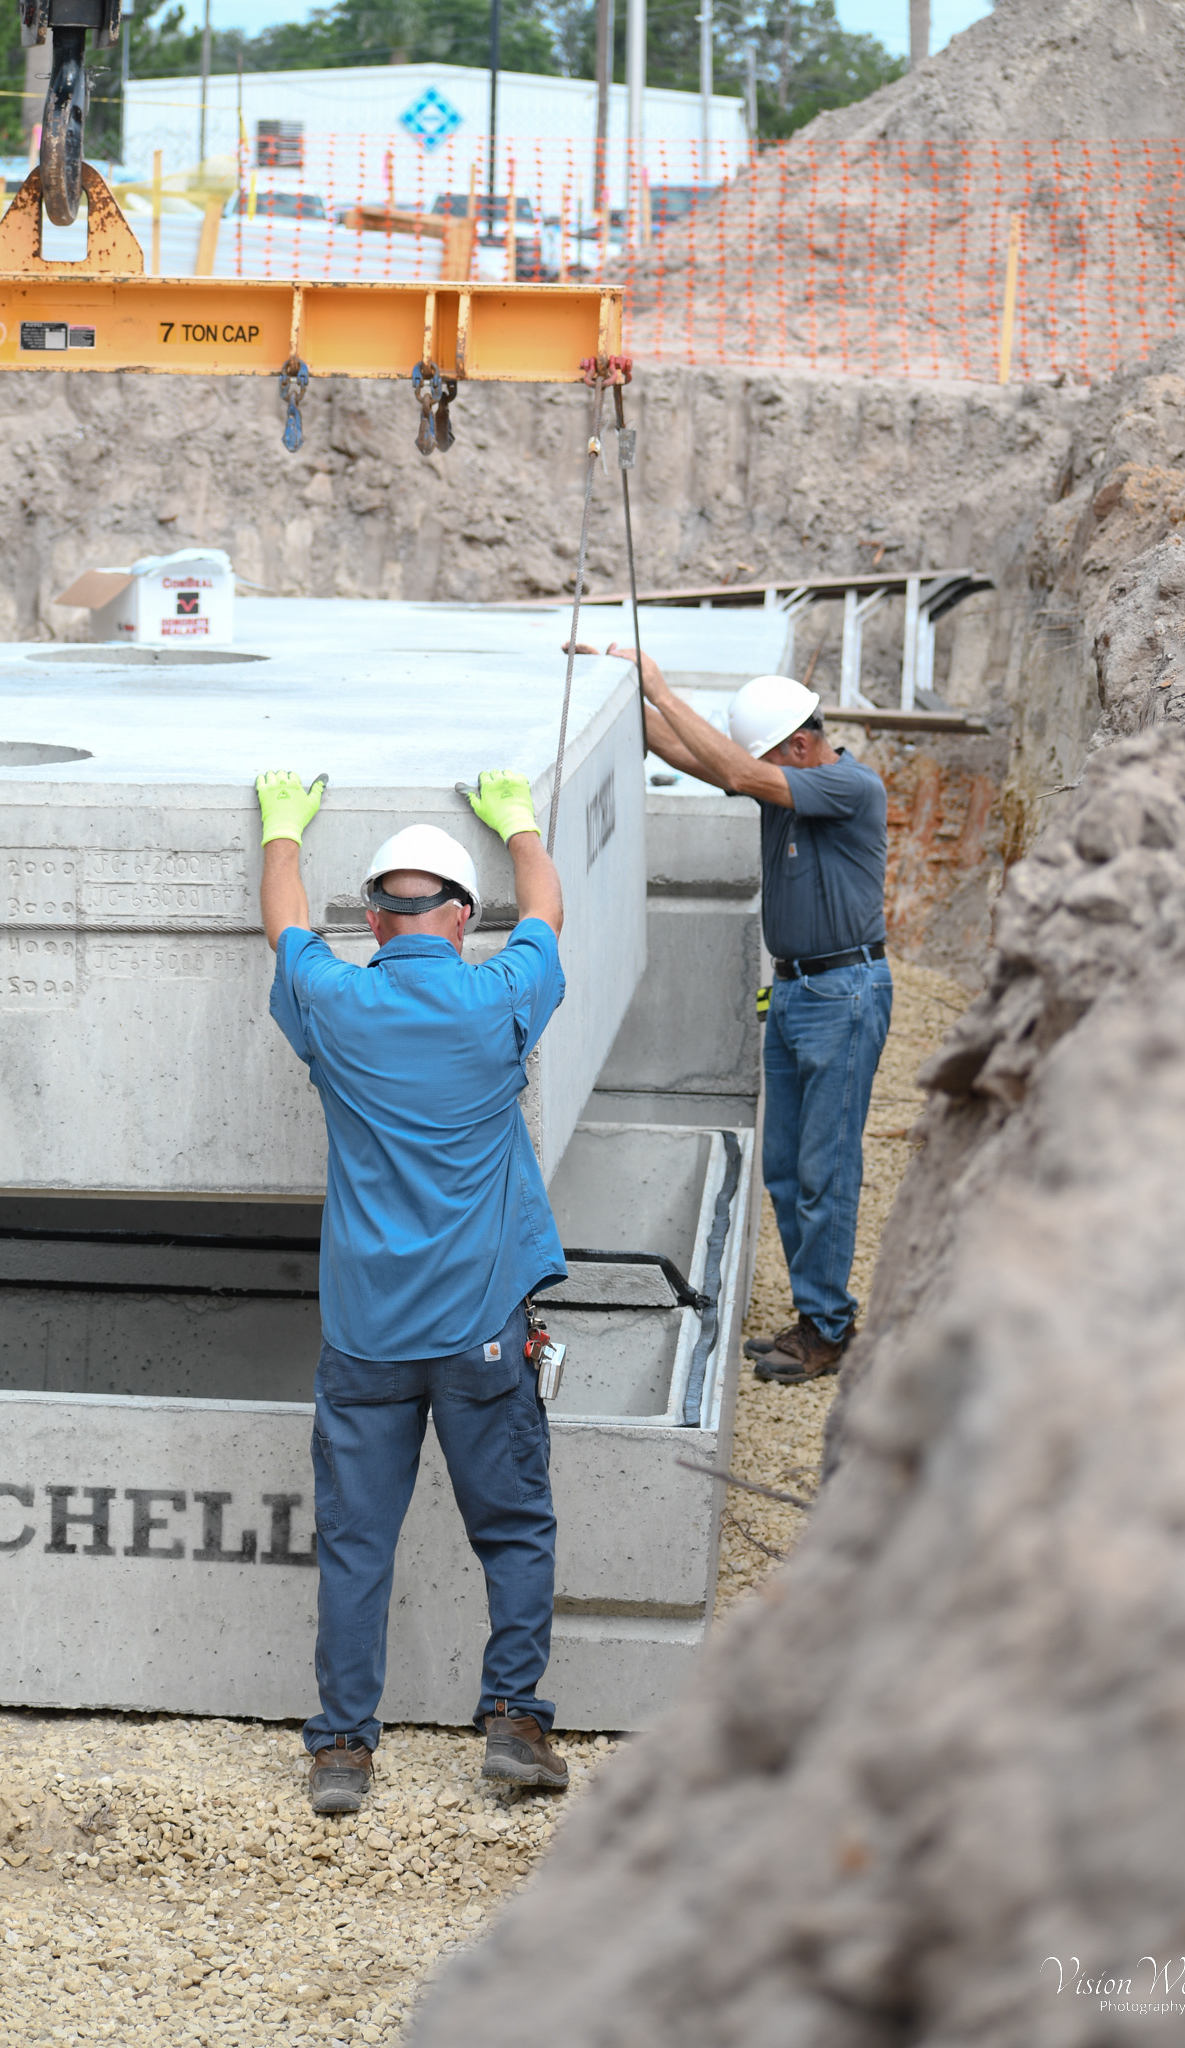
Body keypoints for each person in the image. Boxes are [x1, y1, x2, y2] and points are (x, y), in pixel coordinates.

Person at [254, 765, 572, 1814]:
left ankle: (343, 1748)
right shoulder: (499, 997)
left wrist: (282, 829)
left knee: (356, 1541)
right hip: (480, 1330)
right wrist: (519, 819)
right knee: (515, 1528)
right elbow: (549, 914)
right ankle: (514, 1722)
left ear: (375, 921)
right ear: (463, 916)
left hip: (366, 1333)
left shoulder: (336, 999)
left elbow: (285, 932)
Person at [594, 649, 891, 1384]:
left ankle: (829, 1330)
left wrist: (662, 683)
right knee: (788, 1170)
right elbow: (679, 749)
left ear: (796, 747)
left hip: (841, 996)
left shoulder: (847, 786)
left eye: (766, 759)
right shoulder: (787, 789)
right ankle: (815, 1314)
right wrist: (618, 695)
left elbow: (733, 771)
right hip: (796, 992)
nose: (757, 770)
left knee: (826, 1171)